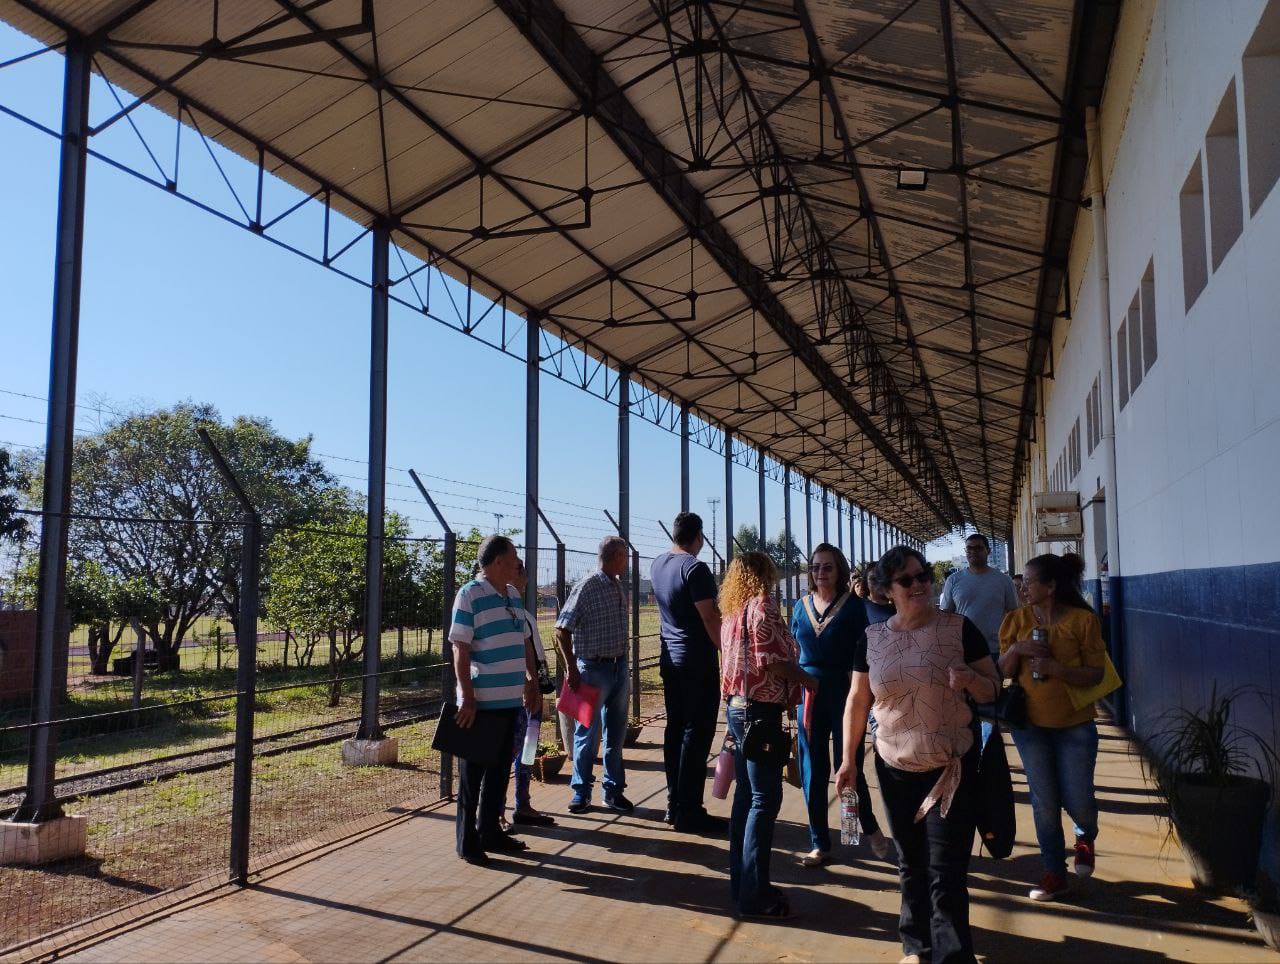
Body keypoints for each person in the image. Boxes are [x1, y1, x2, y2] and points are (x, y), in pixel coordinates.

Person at [837, 545, 1000, 964]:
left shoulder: (958, 629)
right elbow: (857, 700)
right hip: (894, 768)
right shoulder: (872, 638)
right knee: (910, 862)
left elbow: (993, 688)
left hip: (950, 768)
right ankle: (916, 946)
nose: (919, 585)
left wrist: (970, 680)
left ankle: (954, 955)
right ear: (887, 589)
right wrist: (848, 760)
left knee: (946, 871)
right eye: (906, 580)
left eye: (923, 575)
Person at [998, 552, 1105, 903]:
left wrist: (1058, 670)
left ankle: (1085, 834)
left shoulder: (1083, 621)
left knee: (1079, 799)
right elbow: (1002, 671)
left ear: (1051, 586)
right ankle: (1054, 873)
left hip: (1076, 725)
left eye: (1029, 582)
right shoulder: (1015, 621)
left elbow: (1096, 674)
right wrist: (1017, 649)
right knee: (1044, 802)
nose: (1023, 588)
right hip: (1030, 727)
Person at [719, 551, 816, 919]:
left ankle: (744, 884)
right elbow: (772, 661)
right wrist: (808, 680)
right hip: (760, 711)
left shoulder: (732, 612)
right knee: (765, 800)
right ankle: (755, 895)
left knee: (746, 798)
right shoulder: (762, 606)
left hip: (737, 707)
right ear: (766, 574)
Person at [790, 543, 890, 866]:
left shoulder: (854, 607)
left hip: (846, 695)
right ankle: (819, 842)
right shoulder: (800, 606)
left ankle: (861, 827)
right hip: (809, 697)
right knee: (812, 771)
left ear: (840, 570)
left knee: (848, 767)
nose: (820, 572)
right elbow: (794, 650)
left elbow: (867, 652)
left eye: (827, 566)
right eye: (815, 567)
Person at [449, 535, 542, 865]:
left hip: (511, 702)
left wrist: (531, 681)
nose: (518, 563)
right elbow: (460, 647)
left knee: (500, 773)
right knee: (472, 778)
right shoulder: (470, 595)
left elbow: (524, 642)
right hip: (481, 705)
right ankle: (468, 842)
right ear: (498, 561)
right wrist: (467, 696)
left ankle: (490, 832)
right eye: (514, 557)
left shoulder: (513, 595)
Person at [651, 511, 724, 834]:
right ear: (699, 537)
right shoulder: (695, 568)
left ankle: (674, 803)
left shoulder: (658, 564)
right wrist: (728, 652)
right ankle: (689, 810)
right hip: (696, 661)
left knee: (675, 730)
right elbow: (709, 616)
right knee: (697, 734)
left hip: (670, 660)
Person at [555, 535, 633, 815]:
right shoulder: (587, 586)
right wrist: (571, 668)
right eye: (624, 556)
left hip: (619, 667)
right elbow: (561, 629)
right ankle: (581, 792)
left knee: (616, 734)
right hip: (593, 670)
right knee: (587, 734)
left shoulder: (616, 585)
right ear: (615, 556)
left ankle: (613, 791)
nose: (627, 562)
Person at [504, 558, 556, 829]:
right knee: (508, 751)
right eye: (521, 571)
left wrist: (538, 686)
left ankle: (522, 803)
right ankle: (498, 810)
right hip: (518, 696)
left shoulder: (523, 615)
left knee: (528, 748)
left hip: (532, 694)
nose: (525, 578)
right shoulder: (508, 615)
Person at [939, 533, 1020, 659]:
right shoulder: (953, 580)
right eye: (969, 549)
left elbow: (1014, 614)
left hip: (995, 649)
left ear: (988, 551)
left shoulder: (1004, 580)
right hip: (963, 648)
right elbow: (946, 615)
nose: (973, 552)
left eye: (978, 548)